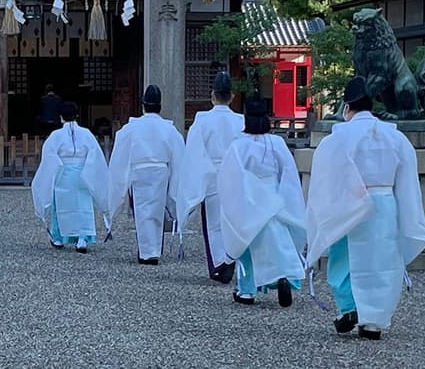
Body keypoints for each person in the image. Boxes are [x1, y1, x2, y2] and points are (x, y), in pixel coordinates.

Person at [306, 76, 425, 340]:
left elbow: (326, 177)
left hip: (349, 201)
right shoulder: (394, 137)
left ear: (347, 106)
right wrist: (407, 215)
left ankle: (349, 307)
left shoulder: (338, 138)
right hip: (384, 202)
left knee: (344, 258)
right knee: (382, 260)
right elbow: (407, 181)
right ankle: (373, 320)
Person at [216, 94, 306, 307]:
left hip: (249, 199)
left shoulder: (238, 145)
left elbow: (229, 178)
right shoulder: (277, 143)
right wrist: (288, 199)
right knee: (280, 244)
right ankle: (283, 277)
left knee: (246, 244)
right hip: (274, 198)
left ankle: (247, 291)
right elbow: (288, 172)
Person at [108, 85, 187, 265]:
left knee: (142, 211)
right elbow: (179, 155)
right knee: (156, 211)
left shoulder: (131, 128)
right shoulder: (169, 129)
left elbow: (120, 153)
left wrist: (119, 181)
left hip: (139, 172)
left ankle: (147, 251)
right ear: (160, 106)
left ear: (143, 105)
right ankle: (152, 249)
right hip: (160, 171)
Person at [178, 71, 244, 284]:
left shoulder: (202, 121)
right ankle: (231, 256)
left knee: (214, 222)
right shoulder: (241, 121)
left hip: (213, 174)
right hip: (236, 175)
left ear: (213, 96)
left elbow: (194, 153)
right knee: (234, 220)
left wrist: (197, 181)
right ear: (231, 96)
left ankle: (220, 263)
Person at [31, 102, 109, 253]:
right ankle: (82, 239)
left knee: (60, 207)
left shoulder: (56, 136)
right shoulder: (86, 134)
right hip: (82, 174)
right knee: (83, 206)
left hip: (63, 173)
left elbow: (49, 156)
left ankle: (58, 238)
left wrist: (55, 169)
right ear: (77, 116)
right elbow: (95, 155)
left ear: (61, 117)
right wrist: (89, 171)